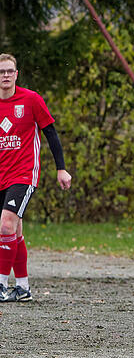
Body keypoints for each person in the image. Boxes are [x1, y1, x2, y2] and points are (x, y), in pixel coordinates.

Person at [0, 53, 72, 302]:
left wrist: (61, 168)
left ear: (16, 74)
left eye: (10, 71)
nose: (6, 75)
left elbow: (50, 133)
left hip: (23, 174)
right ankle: (22, 288)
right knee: (15, 233)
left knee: (6, 225)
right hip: (1, 176)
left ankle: (0, 285)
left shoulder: (30, 100)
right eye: (1, 72)